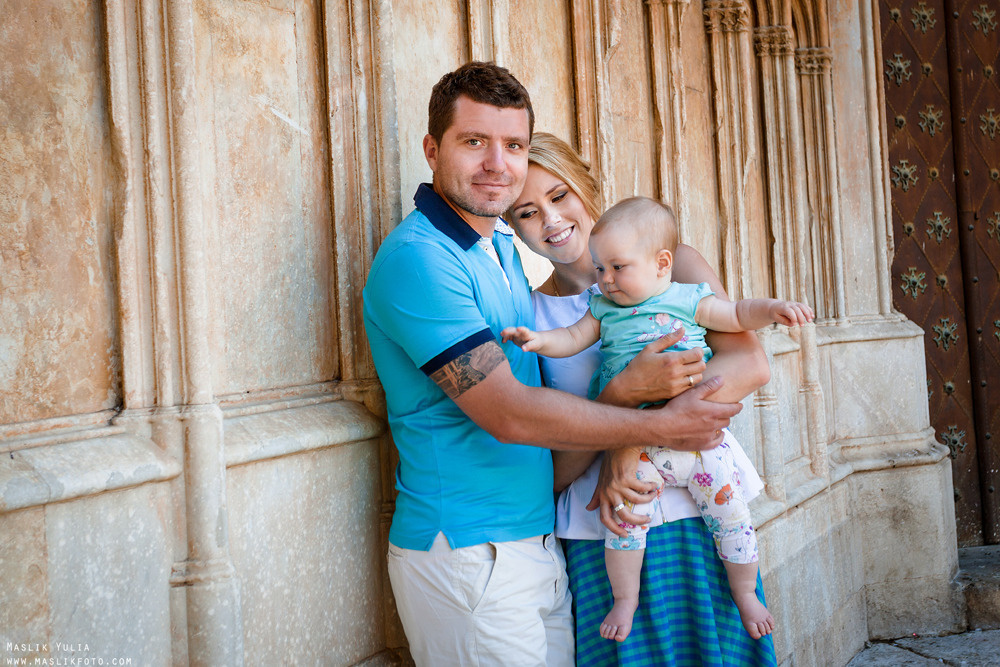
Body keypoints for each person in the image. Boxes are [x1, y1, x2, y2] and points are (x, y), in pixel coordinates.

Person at [362, 63, 743, 666]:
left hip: (538, 540)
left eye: (512, 144)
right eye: (474, 141)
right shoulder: (420, 260)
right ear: (433, 150)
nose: (497, 163)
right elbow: (510, 414)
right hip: (468, 548)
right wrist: (653, 424)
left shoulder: (497, 250)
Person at [506, 132, 779, 665]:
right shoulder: (534, 317)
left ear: (586, 187)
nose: (551, 220)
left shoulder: (673, 267)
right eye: (527, 212)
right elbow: (549, 469)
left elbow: (750, 365)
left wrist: (628, 442)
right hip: (605, 529)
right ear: (512, 225)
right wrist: (619, 411)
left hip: (698, 510)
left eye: (559, 195)